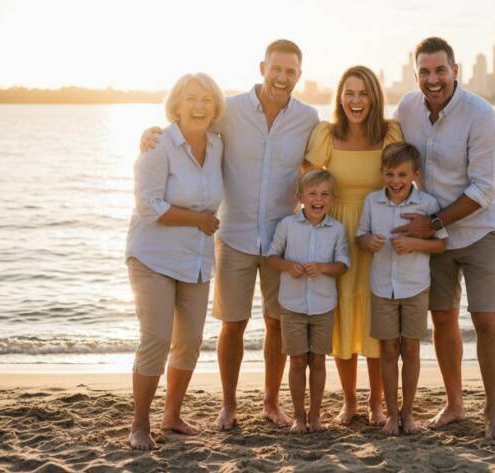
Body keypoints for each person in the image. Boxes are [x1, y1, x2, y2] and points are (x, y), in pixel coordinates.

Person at [139, 40, 319, 430]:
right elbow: (188, 124)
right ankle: (229, 406)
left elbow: (320, 159)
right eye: (277, 69)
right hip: (234, 234)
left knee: (276, 323)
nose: (282, 77)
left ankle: (271, 404)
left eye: (290, 72)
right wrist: (151, 133)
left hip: (280, 239)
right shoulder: (230, 111)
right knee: (232, 324)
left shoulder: (308, 118)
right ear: (262, 68)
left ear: (298, 76)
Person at [393, 37, 495, 440]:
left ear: (455, 71)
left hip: (480, 228)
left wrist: (433, 222)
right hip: (436, 232)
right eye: (424, 71)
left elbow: (483, 190)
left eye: (440, 70)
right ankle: (455, 403)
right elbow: (395, 160)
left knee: (486, 318)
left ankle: (493, 412)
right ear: (416, 75)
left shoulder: (480, 115)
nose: (433, 79)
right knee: (442, 317)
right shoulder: (407, 107)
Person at [125, 73, 225, 449]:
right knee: (156, 339)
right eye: (191, 99)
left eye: (207, 100)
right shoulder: (158, 144)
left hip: (196, 258)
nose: (199, 106)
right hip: (152, 256)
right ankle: (139, 424)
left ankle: (172, 415)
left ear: (215, 108)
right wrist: (198, 219)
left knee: (190, 342)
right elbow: (147, 206)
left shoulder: (218, 144)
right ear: (177, 105)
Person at [304, 65, 403, 425]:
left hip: (378, 235)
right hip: (337, 237)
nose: (356, 101)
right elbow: (307, 179)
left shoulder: (391, 133)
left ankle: (377, 402)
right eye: (349, 93)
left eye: (363, 93)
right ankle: (349, 402)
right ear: (340, 97)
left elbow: (404, 181)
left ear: (374, 98)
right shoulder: (326, 134)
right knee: (342, 319)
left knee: (376, 320)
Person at [357, 142, 447, 435]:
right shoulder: (372, 202)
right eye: (390, 174)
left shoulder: (427, 205)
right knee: (387, 349)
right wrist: (367, 241)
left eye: (402, 175)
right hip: (382, 286)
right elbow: (360, 235)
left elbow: (441, 243)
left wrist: (414, 244)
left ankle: (408, 414)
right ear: (382, 173)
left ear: (415, 175)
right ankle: (391, 415)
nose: (395, 181)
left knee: (410, 349)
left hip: (415, 287)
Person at [268, 169, 349, 433]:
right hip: (292, 306)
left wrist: (324, 268)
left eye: (325, 194)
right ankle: (299, 416)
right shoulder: (287, 225)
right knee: (297, 361)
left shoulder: (336, 229)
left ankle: (315, 416)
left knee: (317, 361)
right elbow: (272, 257)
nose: (318, 199)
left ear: (332, 200)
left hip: (323, 306)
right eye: (312, 193)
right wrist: (288, 266)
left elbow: (343, 265)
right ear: (300, 197)